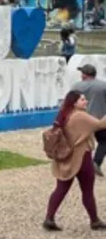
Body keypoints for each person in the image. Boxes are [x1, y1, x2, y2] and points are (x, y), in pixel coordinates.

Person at [44, 91, 106, 231]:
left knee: (61, 189)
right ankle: (94, 220)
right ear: (75, 103)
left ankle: (49, 218)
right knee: (87, 190)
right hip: (81, 157)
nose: (86, 101)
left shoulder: (65, 114)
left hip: (65, 158)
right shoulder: (80, 116)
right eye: (83, 99)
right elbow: (101, 124)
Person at [72, 64, 106, 176]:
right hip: (99, 120)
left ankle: (76, 166)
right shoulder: (103, 86)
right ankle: (96, 162)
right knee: (104, 142)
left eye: (82, 73)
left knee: (80, 144)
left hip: (82, 120)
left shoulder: (76, 86)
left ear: (85, 75)